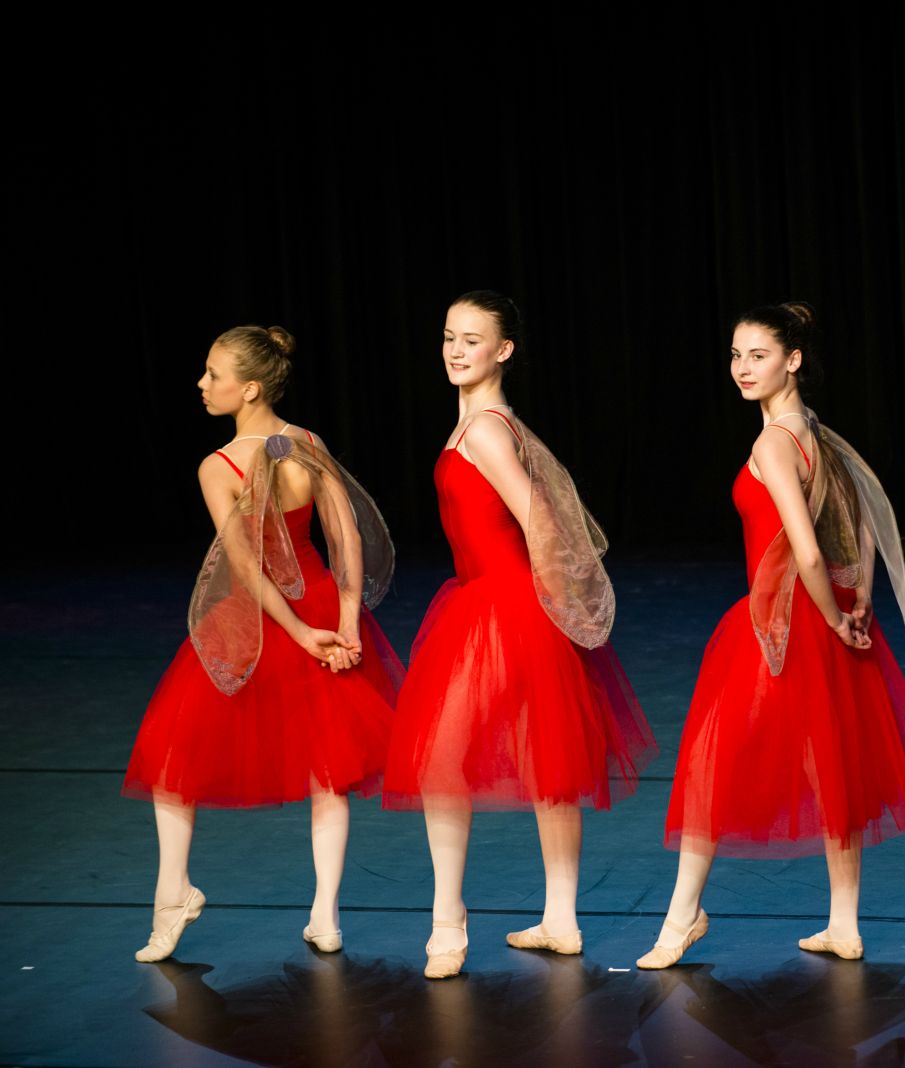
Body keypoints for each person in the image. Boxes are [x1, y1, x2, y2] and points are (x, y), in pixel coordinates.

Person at [637, 301, 905, 969]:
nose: (742, 367)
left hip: (780, 623)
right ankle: (843, 923)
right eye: (736, 355)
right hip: (825, 617)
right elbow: (866, 523)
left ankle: (682, 916)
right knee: (833, 764)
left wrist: (837, 615)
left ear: (794, 360)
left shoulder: (774, 442)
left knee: (713, 765)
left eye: (758, 355)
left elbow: (808, 550)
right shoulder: (819, 435)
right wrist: (858, 599)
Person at [383, 291, 655, 979]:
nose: (455, 350)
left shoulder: (485, 430)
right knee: (542, 760)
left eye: (472, 340)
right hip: (489, 601)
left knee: (446, 759)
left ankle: (449, 922)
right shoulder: (480, 422)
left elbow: (540, 521)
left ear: (503, 350)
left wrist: (557, 609)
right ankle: (557, 918)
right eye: (450, 336)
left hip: (503, 607)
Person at [124, 324, 402, 962]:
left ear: (249, 389)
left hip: (259, 619)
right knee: (327, 769)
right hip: (320, 605)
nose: (202, 384)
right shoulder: (305, 443)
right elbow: (345, 538)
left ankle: (174, 893)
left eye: (213, 374)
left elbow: (248, 568)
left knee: (173, 756)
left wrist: (306, 632)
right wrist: (347, 622)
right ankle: (325, 915)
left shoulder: (218, 465)